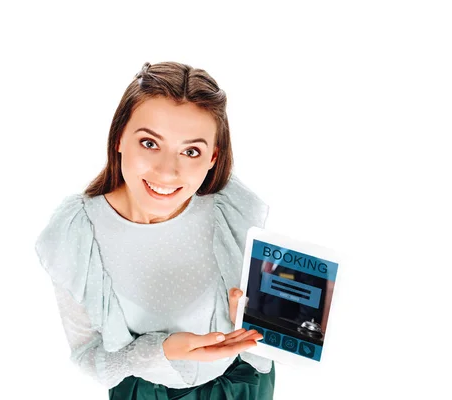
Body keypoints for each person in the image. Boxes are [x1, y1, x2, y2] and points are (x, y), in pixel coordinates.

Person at [34, 61, 276, 399]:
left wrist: (248, 322)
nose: (167, 172)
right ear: (119, 138)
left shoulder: (229, 209)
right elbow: (87, 355)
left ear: (212, 158)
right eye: (150, 143)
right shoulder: (77, 233)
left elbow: (269, 331)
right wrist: (159, 350)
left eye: (191, 151)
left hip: (242, 386)